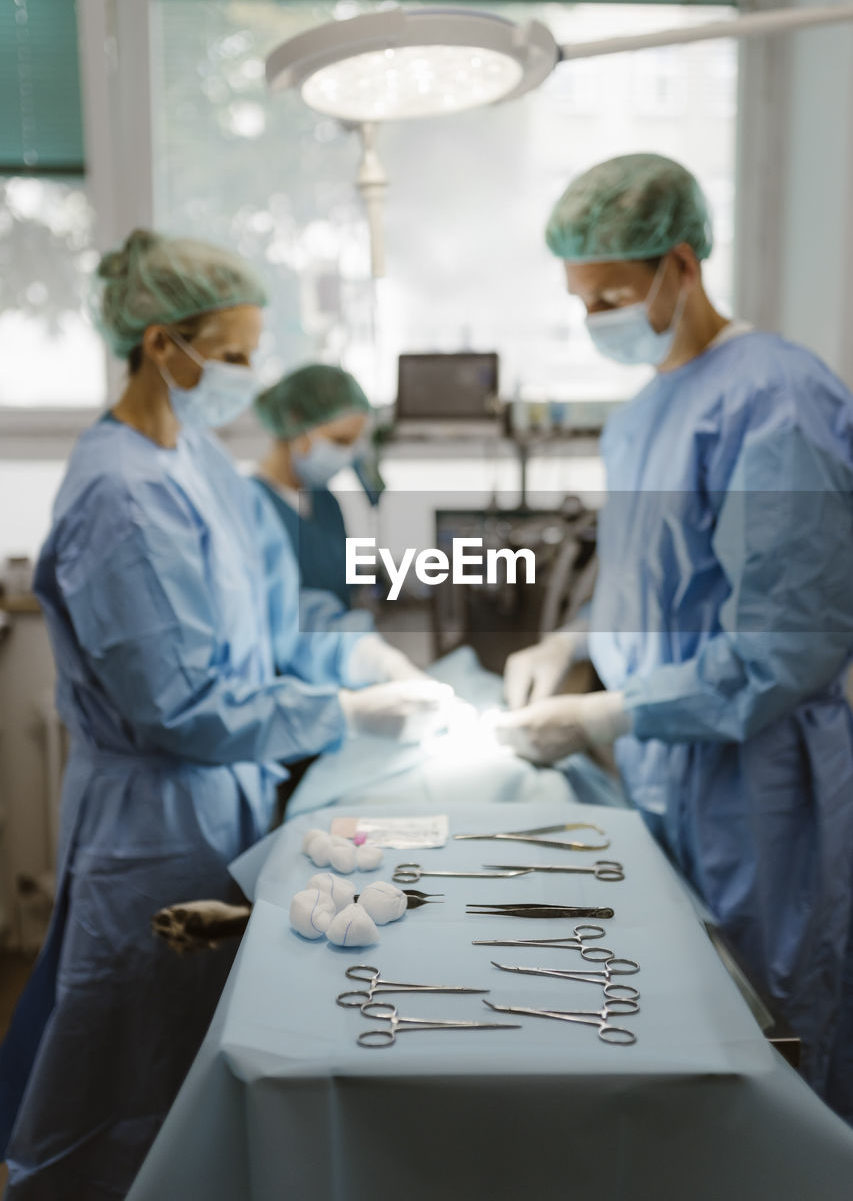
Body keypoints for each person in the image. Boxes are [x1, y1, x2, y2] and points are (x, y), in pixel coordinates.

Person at [0, 229, 445, 1200]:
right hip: (154, 824)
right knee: (133, 1078)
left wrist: (352, 658)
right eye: (233, 354)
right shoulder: (120, 495)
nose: (248, 376)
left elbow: (272, 624)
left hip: (220, 799)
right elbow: (181, 707)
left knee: (203, 1054)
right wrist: (343, 711)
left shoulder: (195, 459)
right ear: (164, 344)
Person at [498, 152, 853, 1121]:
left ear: (682, 265)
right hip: (664, 769)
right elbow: (650, 576)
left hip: (759, 786)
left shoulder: (775, 398)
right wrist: (570, 641)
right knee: (676, 1028)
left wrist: (614, 707)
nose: (595, 319)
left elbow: (789, 641)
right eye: (579, 300)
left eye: (610, 294)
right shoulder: (644, 412)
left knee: (774, 1044)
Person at [254, 364, 371, 609]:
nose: (346, 455)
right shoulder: (249, 508)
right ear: (296, 420)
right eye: (339, 441)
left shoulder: (324, 500)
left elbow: (347, 586)